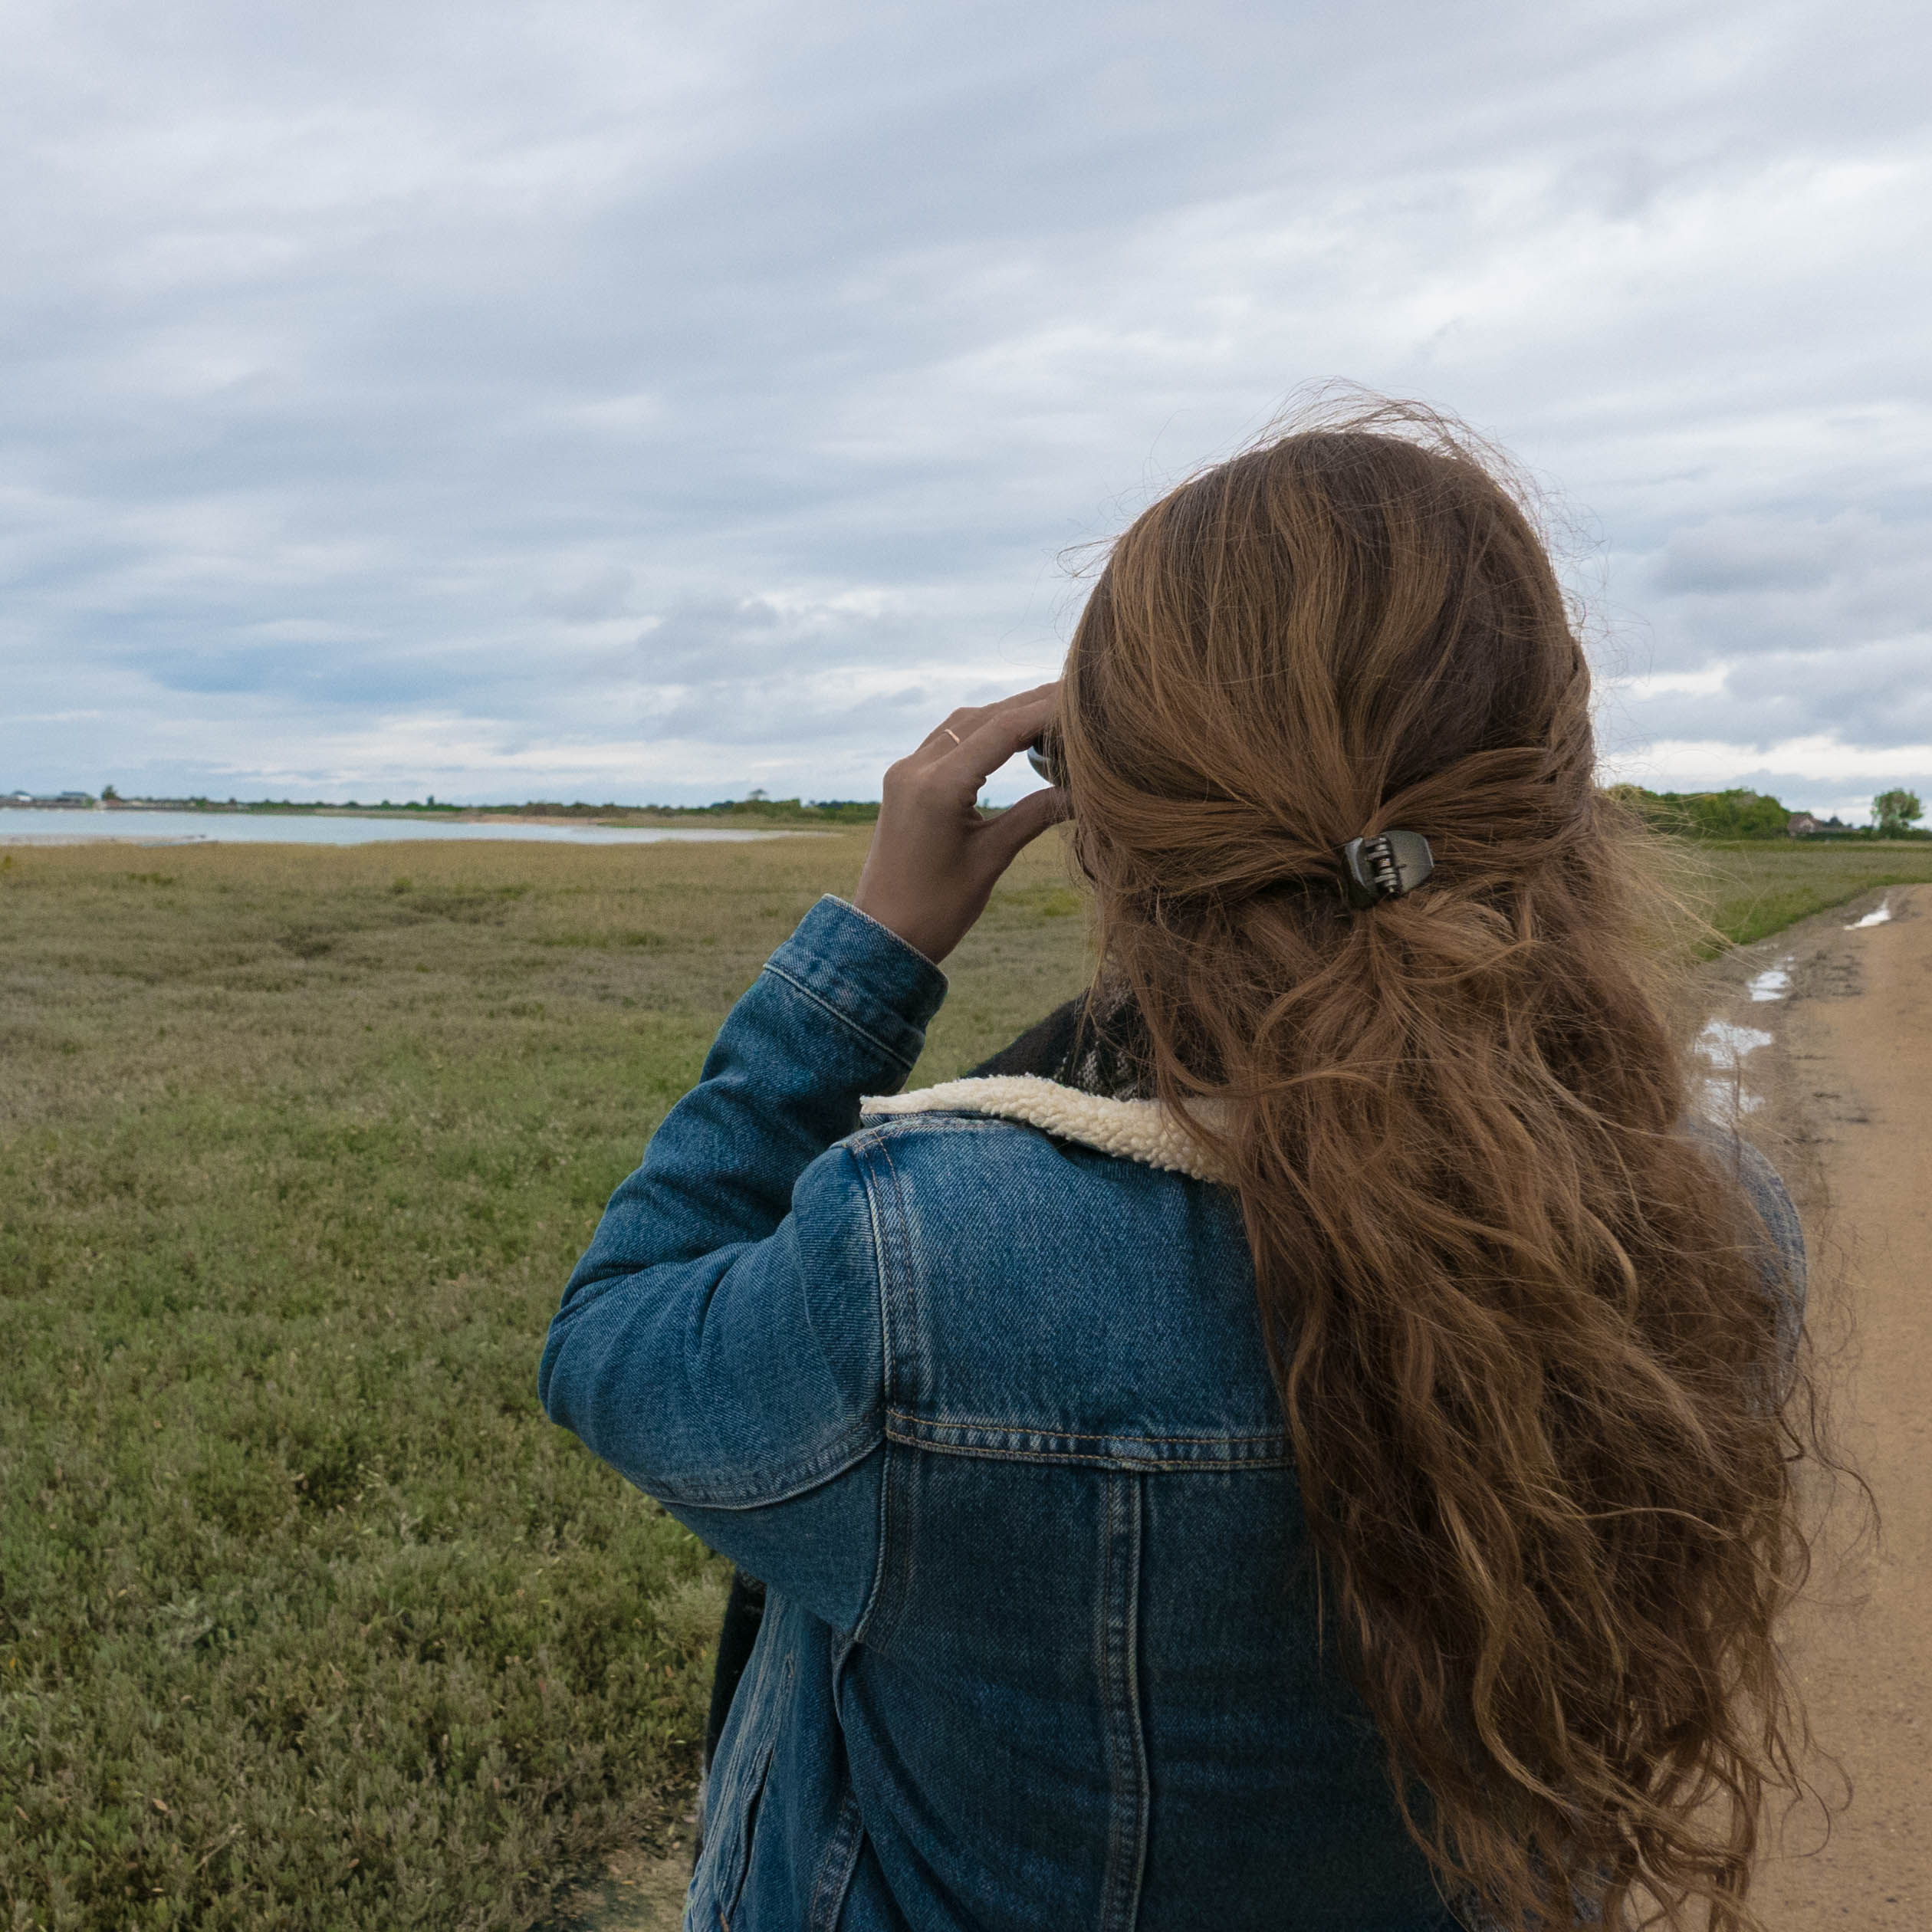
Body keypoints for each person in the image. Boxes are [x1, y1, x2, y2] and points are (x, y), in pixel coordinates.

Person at [539, 405, 1815, 1931]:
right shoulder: (1713, 1238)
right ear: (1556, 794)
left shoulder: (933, 1271)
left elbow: (613, 1336)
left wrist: (868, 952)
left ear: (1102, 829)